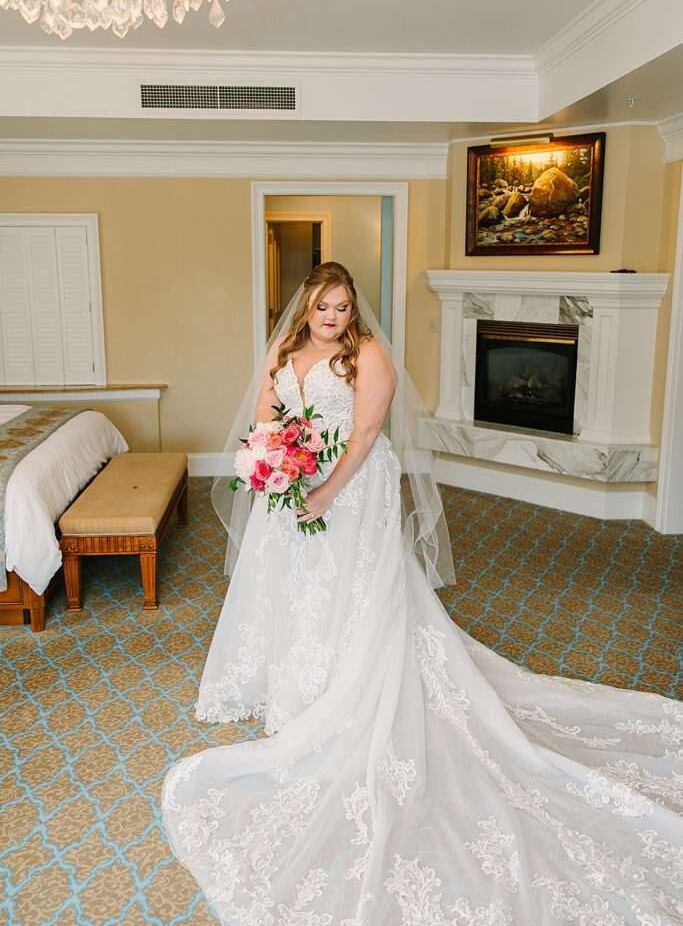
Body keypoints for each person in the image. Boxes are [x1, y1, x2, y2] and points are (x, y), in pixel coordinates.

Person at [162, 262, 683, 926]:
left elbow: (367, 435)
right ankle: (295, 675)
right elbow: (266, 422)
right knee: (294, 584)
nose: (332, 319)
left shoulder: (368, 356)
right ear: (305, 310)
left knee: (351, 585)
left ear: (354, 311)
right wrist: (271, 466)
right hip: (292, 484)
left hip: (351, 487)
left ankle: (346, 680)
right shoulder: (283, 352)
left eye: (342, 308)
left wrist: (323, 489)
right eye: (323, 308)